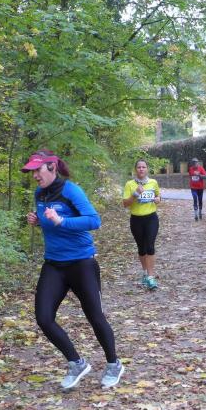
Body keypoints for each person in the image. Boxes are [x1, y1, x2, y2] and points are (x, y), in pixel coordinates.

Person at [23, 150, 124, 390]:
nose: (35, 175)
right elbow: (50, 221)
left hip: (81, 263)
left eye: (38, 170)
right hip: (54, 264)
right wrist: (39, 221)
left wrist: (62, 221)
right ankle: (76, 363)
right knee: (44, 318)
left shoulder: (71, 191)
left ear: (52, 168)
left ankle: (113, 364)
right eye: (32, 171)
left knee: (94, 316)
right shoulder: (40, 193)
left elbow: (94, 221)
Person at [122, 159, 161, 290]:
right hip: (136, 219)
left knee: (150, 246)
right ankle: (145, 272)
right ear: (135, 169)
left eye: (144, 167)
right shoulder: (129, 184)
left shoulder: (153, 182)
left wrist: (158, 199)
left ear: (147, 169)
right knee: (142, 248)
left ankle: (151, 276)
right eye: (139, 167)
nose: (141, 169)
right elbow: (125, 204)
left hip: (151, 218)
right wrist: (135, 194)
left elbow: (158, 196)